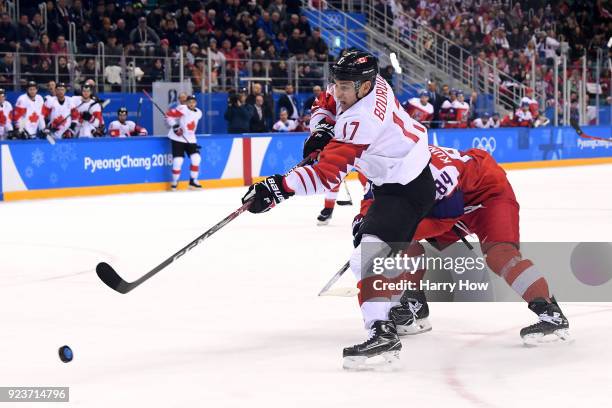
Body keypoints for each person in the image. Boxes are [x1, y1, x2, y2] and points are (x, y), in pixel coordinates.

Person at [240, 50, 434, 369]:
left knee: (367, 258)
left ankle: (386, 331)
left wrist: (278, 187)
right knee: (369, 256)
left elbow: (326, 176)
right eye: (338, 84)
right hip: (391, 179)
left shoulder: (364, 119)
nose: (338, 92)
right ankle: (399, 316)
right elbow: (326, 103)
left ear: (364, 86)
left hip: (407, 187)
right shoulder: (366, 84)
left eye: (345, 87)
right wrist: (321, 130)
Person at [353, 145, 570, 344]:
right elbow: (373, 200)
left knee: (500, 255)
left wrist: (388, 234)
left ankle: (549, 311)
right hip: (442, 201)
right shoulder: (378, 163)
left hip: (487, 195)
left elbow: (446, 217)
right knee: (400, 236)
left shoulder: (433, 170)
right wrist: (364, 223)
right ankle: (414, 303)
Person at [165, 95, 203, 191]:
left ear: (196, 103)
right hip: (178, 138)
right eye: (189, 101)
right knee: (178, 161)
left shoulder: (199, 113)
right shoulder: (183, 109)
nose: (191, 103)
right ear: (186, 103)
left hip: (191, 139)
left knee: (196, 159)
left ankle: (193, 181)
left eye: (193, 102)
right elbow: (168, 115)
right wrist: (175, 126)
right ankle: (174, 182)